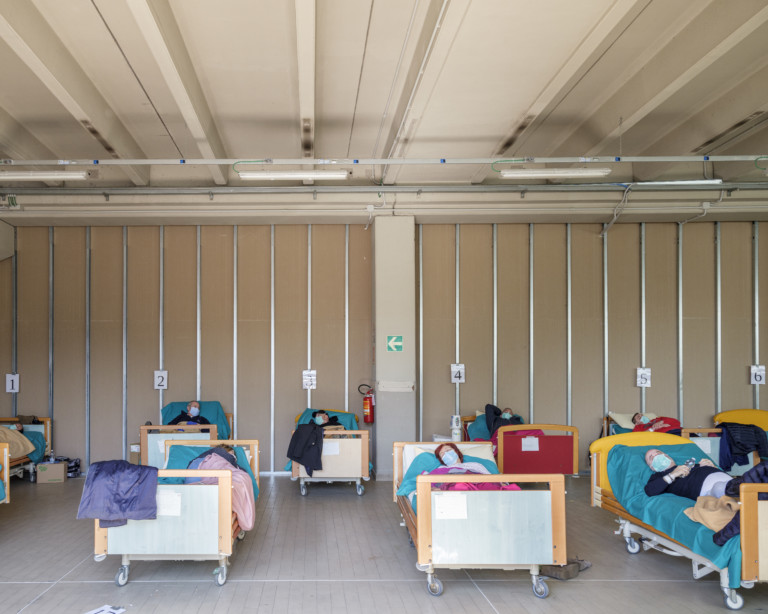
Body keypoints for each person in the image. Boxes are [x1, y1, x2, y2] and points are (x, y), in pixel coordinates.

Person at [644, 448, 767, 500]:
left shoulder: (692, 465)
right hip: (713, 490)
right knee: (720, 487)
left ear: (667, 456)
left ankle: (755, 486)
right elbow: (650, 490)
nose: (656, 455)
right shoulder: (658, 477)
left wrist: (713, 467)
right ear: (652, 467)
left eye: (658, 452)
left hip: (730, 480)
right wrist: (673, 475)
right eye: (651, 457)